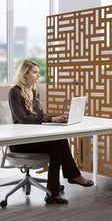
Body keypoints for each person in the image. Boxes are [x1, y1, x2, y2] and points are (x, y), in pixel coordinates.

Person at [8, 59, 94, 204]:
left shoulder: (34, 92)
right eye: (34, 72)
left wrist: (55, 118)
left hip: (34, 138)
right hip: (21, 142)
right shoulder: (14, 92)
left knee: (58, 143)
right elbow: (22, 119)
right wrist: (51, 120)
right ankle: (71, 178)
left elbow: (40, 117)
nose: (38, 75)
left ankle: (54, 192)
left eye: (37, 72)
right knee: (58, 144)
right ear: (24, 73)